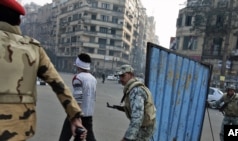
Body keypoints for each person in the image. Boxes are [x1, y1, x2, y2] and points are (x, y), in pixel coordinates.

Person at [0, 0, 86, 140]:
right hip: (18, 129)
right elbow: (59, 85)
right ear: (18, 22)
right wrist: (75, 117)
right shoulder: (33, 48)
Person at [107, 64, 156, 141]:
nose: (120, 79)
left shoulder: (136, 90)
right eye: (119, 76)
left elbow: (137, 118)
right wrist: (122, 108)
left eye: (123, 76)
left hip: (143, 128)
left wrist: (127, 138)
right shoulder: (133, 88)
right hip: (144, 127)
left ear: (131, 75)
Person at [59, 53, 97, 141]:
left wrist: (76, 116)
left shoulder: (78, 78)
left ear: (78, 66)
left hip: (76, 113)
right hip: (88, 115)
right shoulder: (93, 79)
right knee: (88, 137)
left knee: (64, 137)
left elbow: (78, 98)